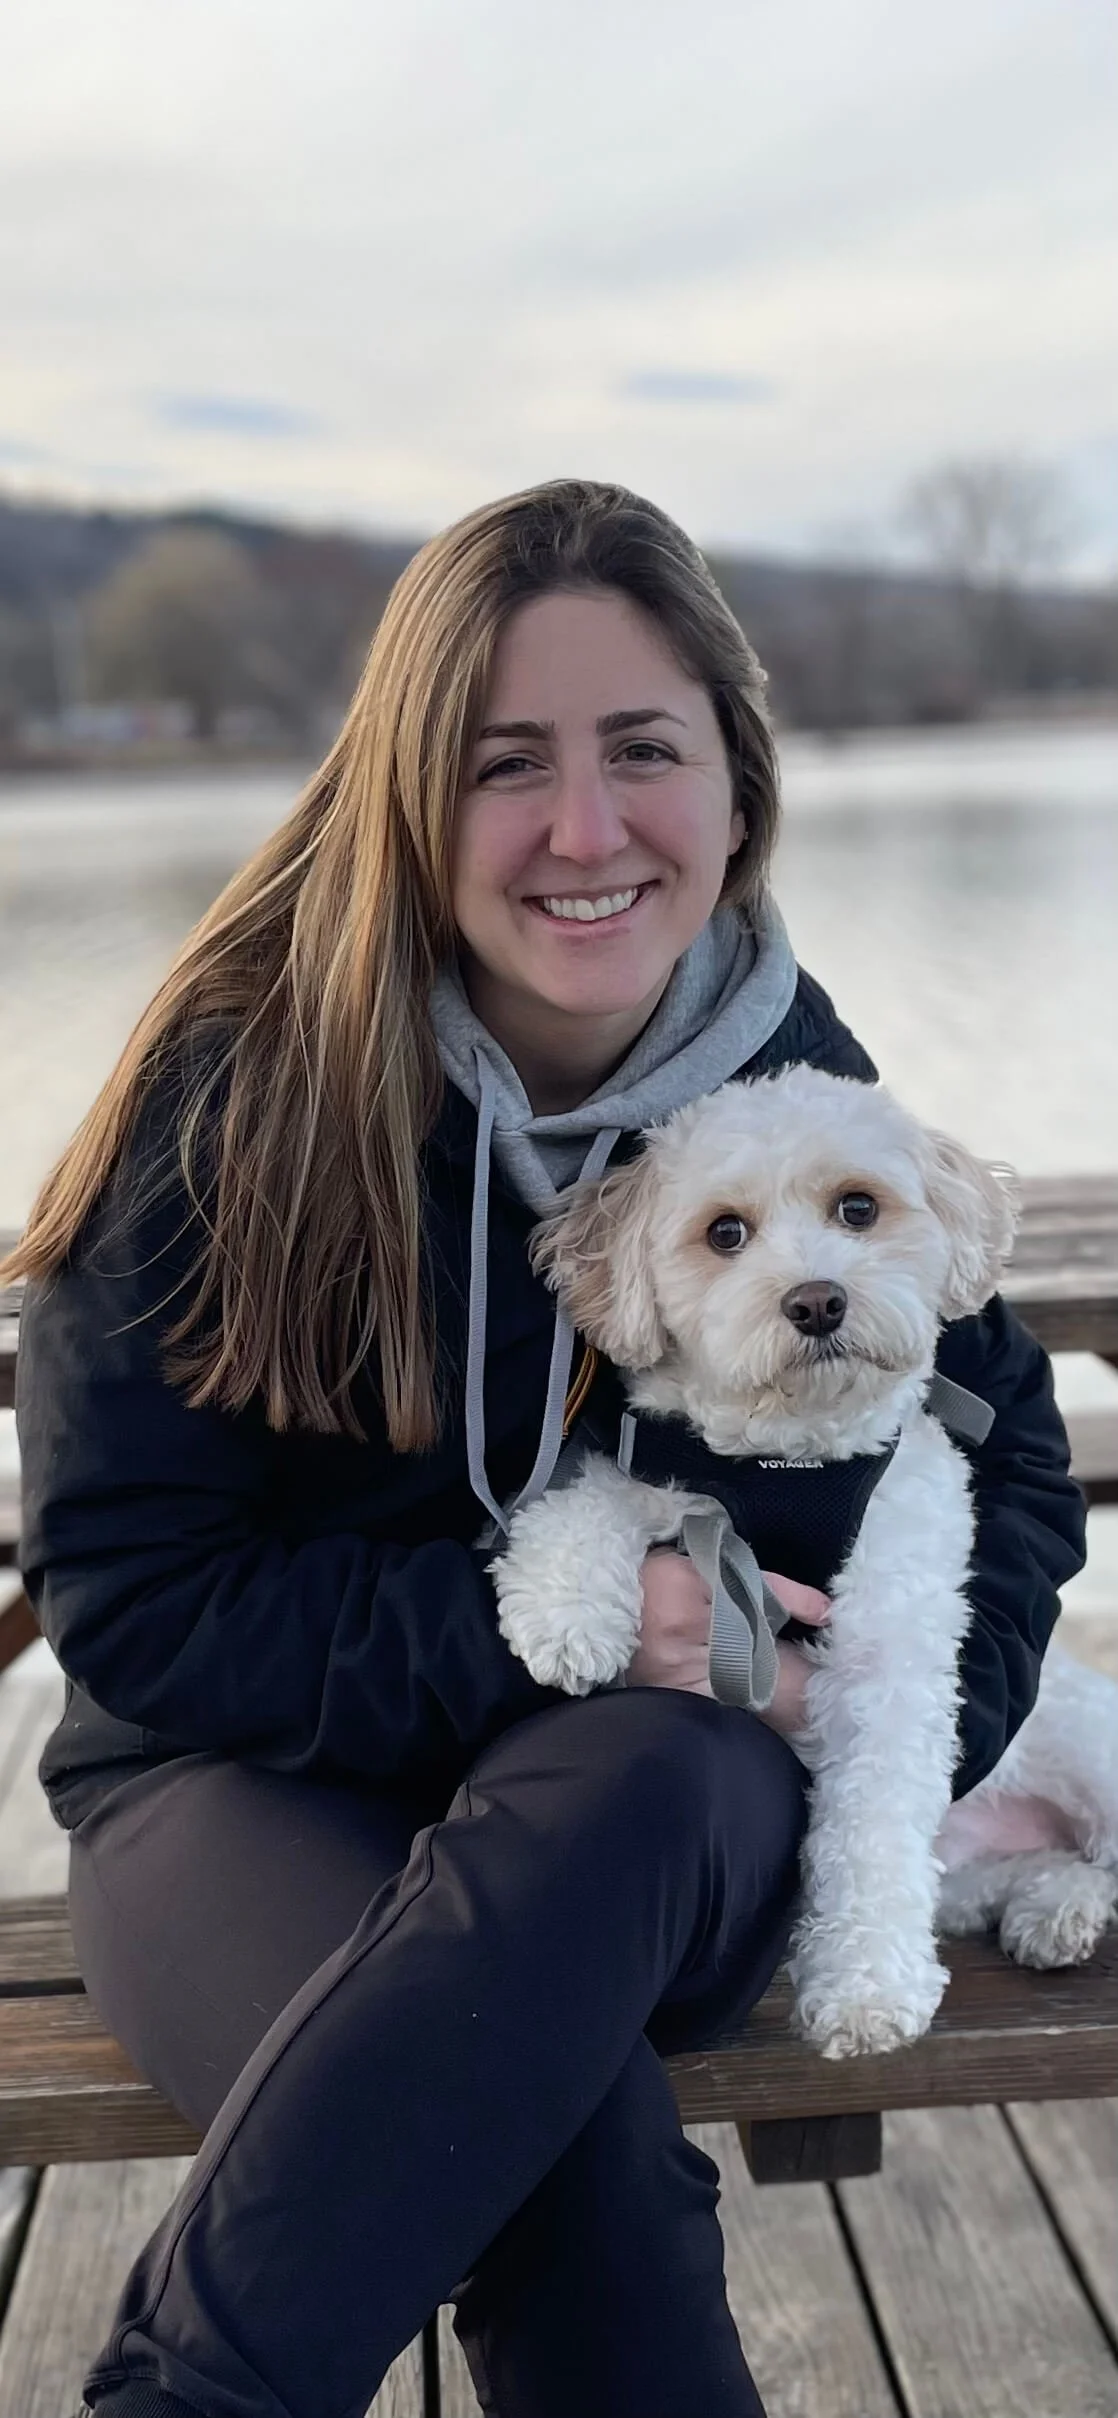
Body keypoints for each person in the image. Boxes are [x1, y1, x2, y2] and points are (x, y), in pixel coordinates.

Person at [6, 479, 1085, 2418]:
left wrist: (897, 1711)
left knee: (647, 1778)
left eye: (642, 752)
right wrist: (536, 1637)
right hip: (237, 1789)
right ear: (409, 799)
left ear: (737, 793)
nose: (585, 831)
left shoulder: (783, 1070)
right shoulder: (231, 1091)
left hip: (639, 1815)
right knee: (551, 2133)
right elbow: (133, 1600)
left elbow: (998, 1442)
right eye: (510, 764)